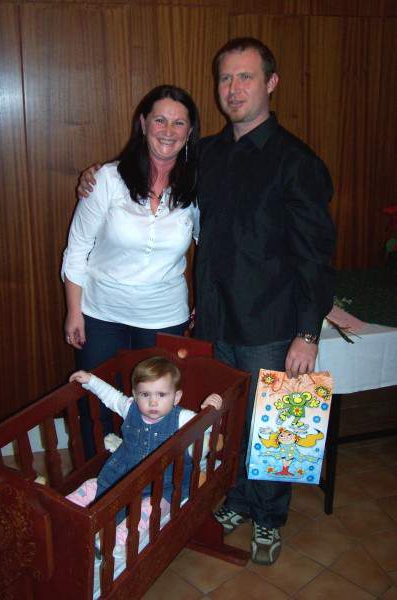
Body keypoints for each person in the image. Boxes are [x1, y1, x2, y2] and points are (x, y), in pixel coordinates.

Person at [76, 37, 336, 566]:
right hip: (216, 323)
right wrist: (94, 176)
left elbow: (316, 255)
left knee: (280, 424)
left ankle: (270, 517)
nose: (234, 89)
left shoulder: (297, 162)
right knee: (227, 424)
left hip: (275, 324)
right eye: (225, 78)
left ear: (271, 83)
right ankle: (236, 500)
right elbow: (151, 172)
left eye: (246, 77)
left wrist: (308, 332)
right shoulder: (207, 155)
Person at [62, 85, 200, 458]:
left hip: (163, 319)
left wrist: (203, 301)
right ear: (143, 123)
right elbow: (77, 249)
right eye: (159, 120)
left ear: (189, 132)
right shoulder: (107, 180)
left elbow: (212, 248)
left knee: (155, 413)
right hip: (100, 315)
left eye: (178, 123)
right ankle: (97, 479)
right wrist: (74, 311)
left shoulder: (196, 187)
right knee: (95, 409)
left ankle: (145, 483)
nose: (168, 131)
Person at [65, 356, 223, 507]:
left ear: (176, 397)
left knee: (151, 507)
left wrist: (209, 412)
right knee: (94, 487)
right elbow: (111, 396)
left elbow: (209, 427)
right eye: (145, 394)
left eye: (161, 394)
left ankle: (130, 525)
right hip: (123, 474)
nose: (153, 402)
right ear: (135, 395)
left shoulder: (182, 417)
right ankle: (69, 511)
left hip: (163, 483)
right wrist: (90, 380)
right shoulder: (130, 408)